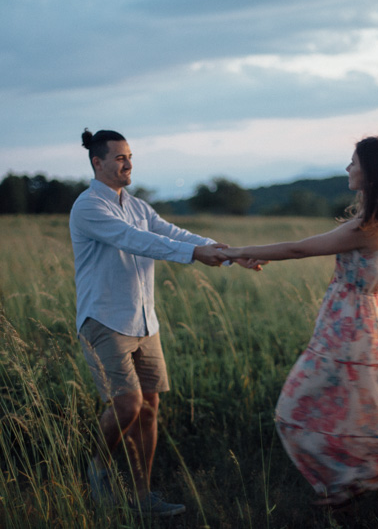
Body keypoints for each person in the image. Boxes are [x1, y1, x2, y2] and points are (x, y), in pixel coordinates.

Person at [221, 136, 378, 506]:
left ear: (372, 171)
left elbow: (299, 248)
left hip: (351, 328)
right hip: (355, 323)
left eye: (354, 162)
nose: (348, 168)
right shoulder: (377, 220)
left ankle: (356, 480)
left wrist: (239, 251)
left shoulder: (368, 227)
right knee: (364, 407)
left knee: (296, 408)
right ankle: (361, 483)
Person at [69, 129, 256, 517]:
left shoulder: (137, 205)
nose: (128, 163)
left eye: (130, 156)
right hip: (105, 320)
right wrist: (194, 254)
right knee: (127, 405)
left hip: (144, 322)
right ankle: (98, 467)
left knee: (149, 408)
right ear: (97, 163)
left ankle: (142, 498)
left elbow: (170, 232)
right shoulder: (88, 207)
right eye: (120, 158)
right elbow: (134, 240)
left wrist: (230, 252)